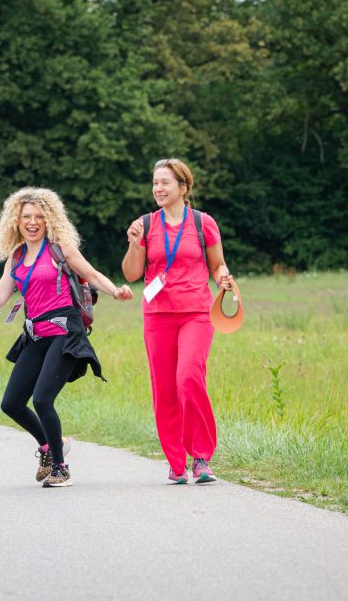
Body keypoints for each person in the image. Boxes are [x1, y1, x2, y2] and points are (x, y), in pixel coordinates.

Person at [0, 187, 132, 488]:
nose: (32, 222)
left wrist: (115, 291)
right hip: (36, 335)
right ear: (16, 221)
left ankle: (60, 468)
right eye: (26, 217)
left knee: (42, 399)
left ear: (49, 220)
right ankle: (49, 446)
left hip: (65, 333)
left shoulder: (60, 249)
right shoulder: (16, 258)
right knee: (11, 403)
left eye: (39, 217)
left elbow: (92, 274)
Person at [122, 159, 232, 484]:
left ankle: (201, 457)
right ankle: (176, 463)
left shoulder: (203, 223)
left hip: (196, 312)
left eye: (165, 183)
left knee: (189, 377)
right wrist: (133, 243)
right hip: (157, 316)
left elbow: (218, 265)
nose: (158, 188)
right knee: (165, 389)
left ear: (183, 187)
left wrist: (223, 277)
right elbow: (131, 273)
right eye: (155, 183)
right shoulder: (145, 224)